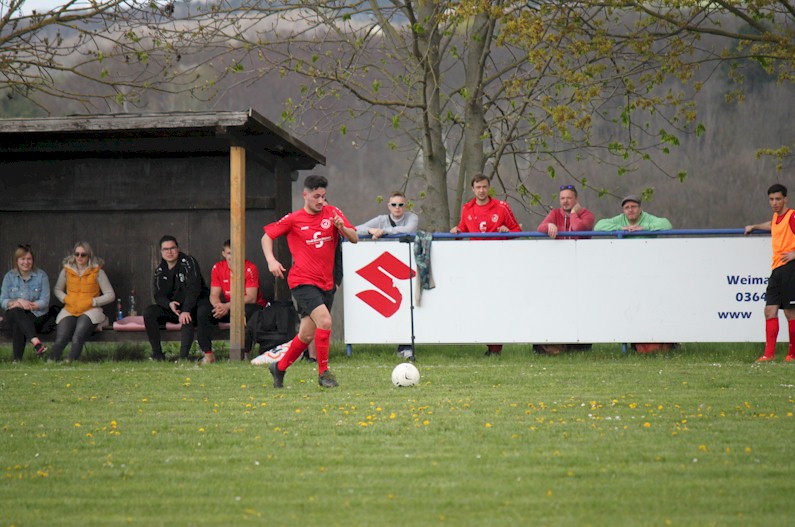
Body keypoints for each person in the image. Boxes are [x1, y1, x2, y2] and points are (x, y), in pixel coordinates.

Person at [261, 174, 358, 388]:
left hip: (326, 283)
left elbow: (355, 238)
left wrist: (342, 227)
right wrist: (271, 260)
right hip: (302, 281)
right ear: (305, 195)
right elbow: (266, 237)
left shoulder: (333, 213)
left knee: (306, 334)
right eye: (316, 196)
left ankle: (279, 367)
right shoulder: (294, 219)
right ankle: (324, 373)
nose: (321, 201)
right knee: (324, 321)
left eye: (323, 196)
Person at [450, 173, 521, 355]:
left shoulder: (502, 207)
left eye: (484, 187)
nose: (481, 190)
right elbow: (463, 229)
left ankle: (495, 347)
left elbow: (517, 230)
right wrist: (456, 230)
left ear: (489, 188)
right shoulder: (467, 208)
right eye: (478, 187)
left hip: (498, 264)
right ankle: (483, 341)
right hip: (476, 264)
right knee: (479, 303)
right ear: (473, 189)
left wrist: (507, 231)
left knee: (496, 303)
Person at [356, 191, 420, 358]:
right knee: (392, 307)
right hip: (386, 266)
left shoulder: (412, 217)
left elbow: (408, 229)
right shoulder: (381, 219)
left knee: (407, 304)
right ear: (388, 206)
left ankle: (406, 345)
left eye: (400, 205)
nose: (397, 208)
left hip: (406, 266)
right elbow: (355, 230)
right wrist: (371, 230)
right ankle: (395, 343)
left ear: (405, 206)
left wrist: (383, 232)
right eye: (394, 205)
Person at [535, 184, 595, 354]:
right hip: (558, 267)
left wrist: (574, 214)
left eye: (569, 198)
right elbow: (540, 227)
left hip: (581, 265)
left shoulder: (586, 214)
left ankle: (581, 344)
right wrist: (549, 227)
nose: (565, 201)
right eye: (562, 198)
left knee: (580, 303)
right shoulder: (555, 213)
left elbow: (579, 229)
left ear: (576, 199)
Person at [143, 235, 215, 363]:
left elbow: (194, 289)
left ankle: (184, 357)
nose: (169, 252)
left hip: (195, 305)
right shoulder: (160, 270)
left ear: (178, 248)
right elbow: (158, 295)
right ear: (161, 251)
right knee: (149, 312)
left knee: (191, 316)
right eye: (165, 249)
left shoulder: (189, 262)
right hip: (174, 308)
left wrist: (186, 309)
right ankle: (157, 354)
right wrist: (169, 304)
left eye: (172, 248)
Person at [744, 183, 795, 362]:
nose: (774, 202)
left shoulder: (792, 216)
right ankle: (768, 355)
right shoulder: (776, 218)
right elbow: (772, 224)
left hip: (790, 268)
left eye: (778, 199)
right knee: (769, 310)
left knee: (790, 312)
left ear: (785, 199)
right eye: (771, 199)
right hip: (776, 270)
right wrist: (754, 226)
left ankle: (792, 355)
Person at [48, 242, 115, 363]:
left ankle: (70, 360)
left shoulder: (98, 272)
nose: (79, 257)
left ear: (89, 255)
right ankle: (51, 360)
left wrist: (93, 301)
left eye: (83, 254)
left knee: (77, 336)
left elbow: (110, 295)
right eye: (76, 254)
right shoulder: (66, 271)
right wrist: (66, 299)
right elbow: (57, 289)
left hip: (90, 310)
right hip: (70, 308)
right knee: (61, 337)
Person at [210, 239, 269, 360]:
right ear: (224, 254)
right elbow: (214, 294)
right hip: (227, 307)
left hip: (249, 306)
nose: (233, 256)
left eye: (236, 252)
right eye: (229, 253)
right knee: (204, 312)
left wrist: (227, 306)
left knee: (247, 311)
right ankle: (207, 354)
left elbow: (251, 297)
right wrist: (218, 306)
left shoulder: (250, 268)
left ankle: (245, 353)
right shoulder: (217, 267)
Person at [0, 244, 50, 361]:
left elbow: (44, 301)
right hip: (13, 315)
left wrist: (28, 306)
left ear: (33, 261)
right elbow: (3, 300)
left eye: (29, 259)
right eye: (23, 259)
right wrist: (18, 301)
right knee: (16, 312)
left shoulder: (41, 276)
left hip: (35, 315)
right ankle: (36, 343)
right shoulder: (9, 277)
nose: (26, 262)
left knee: (19, 320)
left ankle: (17, 360)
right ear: (17, 261)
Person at [594, 195, 673, 232]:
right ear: (623, 211)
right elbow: (598, 226)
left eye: (633, 207)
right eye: (627, 208)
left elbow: (667, 224)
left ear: (640, 209)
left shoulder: (647, 218)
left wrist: (644, 227)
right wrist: (621, 228)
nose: (630, 210)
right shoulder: (620, 218)